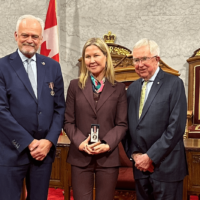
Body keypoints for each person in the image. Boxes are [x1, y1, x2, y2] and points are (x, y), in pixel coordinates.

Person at [0, 15, 65, 200]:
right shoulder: (2, 66)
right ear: (15, 35)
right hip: (11, 151)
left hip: (43, 154)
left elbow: (60, 108)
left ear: (41, 39)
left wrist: (49, 141)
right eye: (25, 35)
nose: (30, 40)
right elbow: (1, 111)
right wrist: (29, 143)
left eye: (35, 36)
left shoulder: (52, 66)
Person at [123, 38, 188, 200]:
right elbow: (129, 127)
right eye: (136, 60)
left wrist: (150, 157)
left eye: (144, 58)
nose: (140, 64)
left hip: (167, 166)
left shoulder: (174, 84)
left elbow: (176, 128)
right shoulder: (132, 88)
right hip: (140, 168)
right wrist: (135, 155)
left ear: (157, 59)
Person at [63, 37, 128, 200]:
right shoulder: (74, 86)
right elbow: (68, 121)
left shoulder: (119, 88)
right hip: (81, 156)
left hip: (107, 156)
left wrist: (106, 144)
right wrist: (80, 142)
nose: (91, 60)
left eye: (96, 55)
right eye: (87, 56)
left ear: (106, 57)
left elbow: (121, 124)